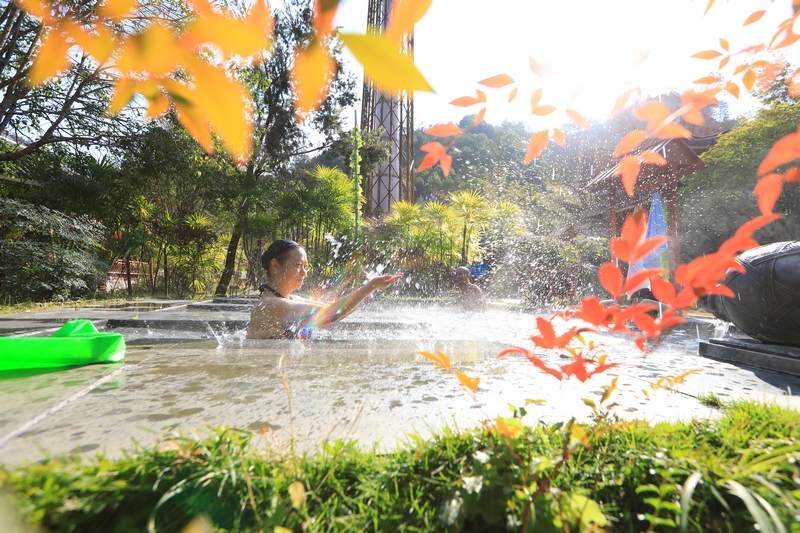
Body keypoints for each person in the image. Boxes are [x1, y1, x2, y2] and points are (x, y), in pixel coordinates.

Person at [247, 239, 402, 339]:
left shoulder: (291, 299)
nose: (304, 273)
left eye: (306, 266)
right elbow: (332, 314)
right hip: (270, 377)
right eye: (298, 265)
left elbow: (334, 309)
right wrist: (370, 286)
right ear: (275, 265)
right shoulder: (271, 304)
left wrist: (370, 290)